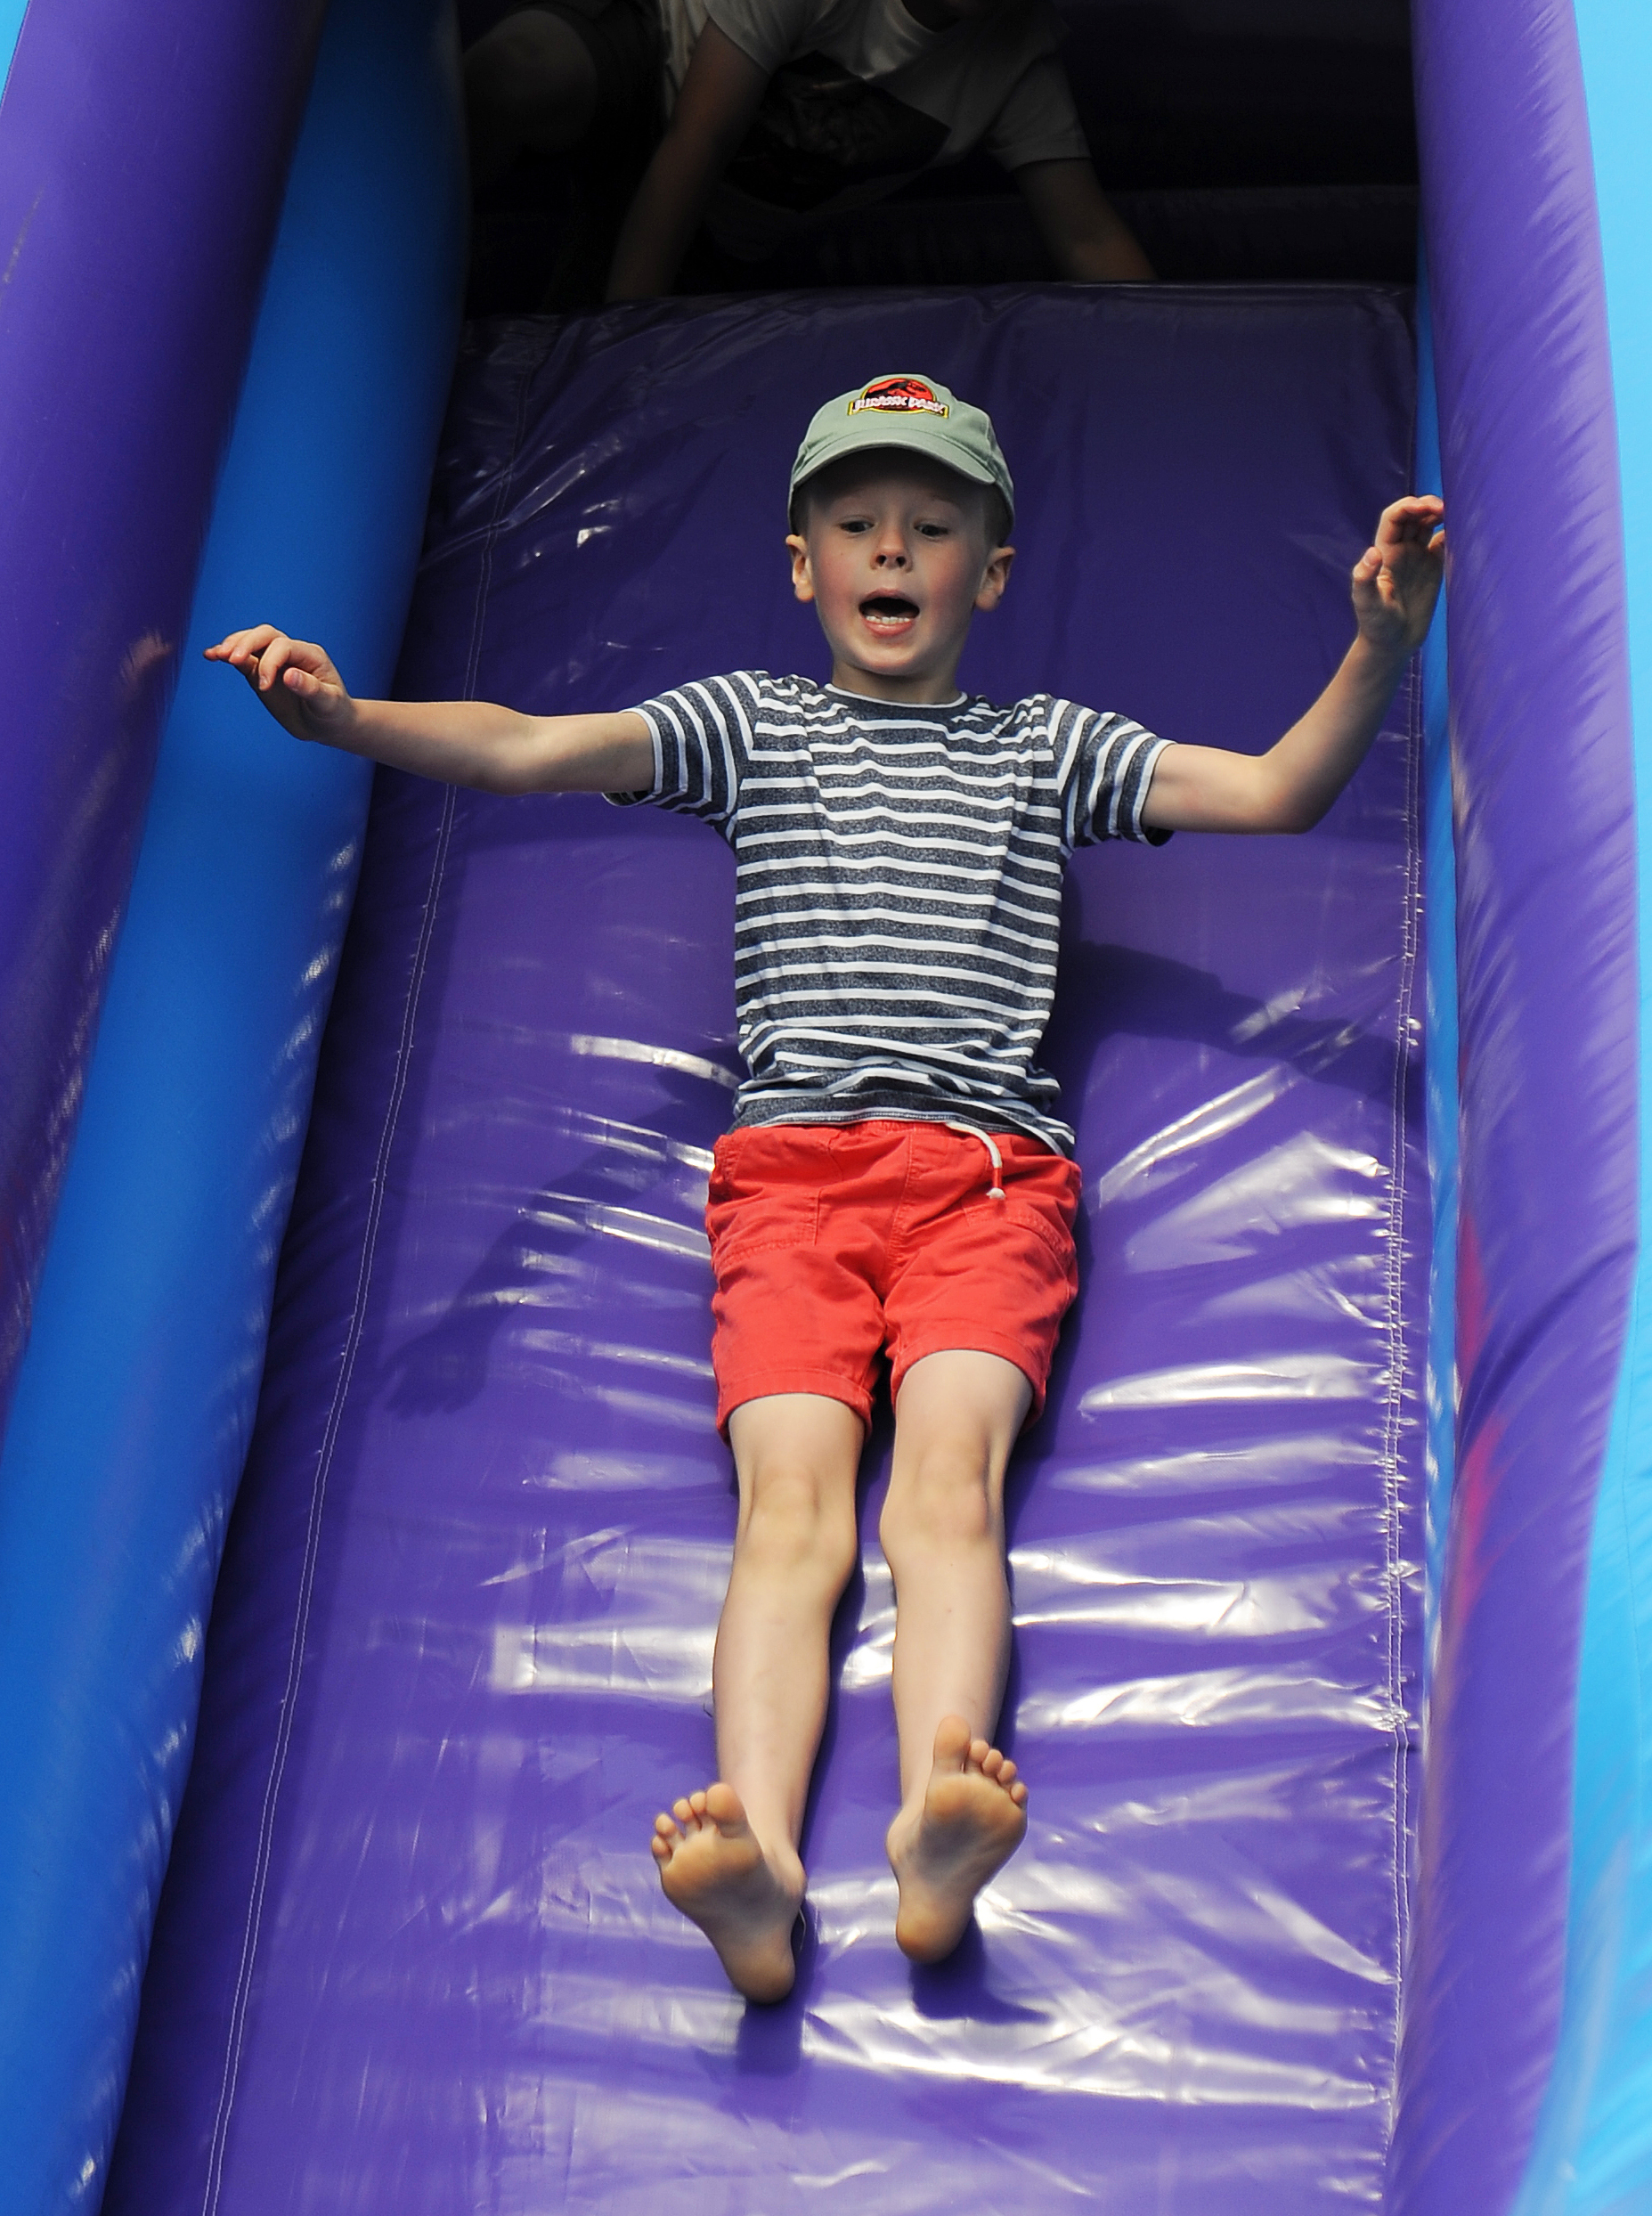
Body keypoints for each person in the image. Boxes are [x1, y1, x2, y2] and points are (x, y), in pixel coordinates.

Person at [206, 372, 1444, 2004]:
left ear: (988, 576)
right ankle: (766, 1873)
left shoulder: (1041, 747)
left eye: (932, 529)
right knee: (788, 1509)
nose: (892, 550)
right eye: (858, 524)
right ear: (802, 565)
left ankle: (940, 1813)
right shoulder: (749, 727)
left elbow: (1276, 790)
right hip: (788, 1182)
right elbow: (524, 747)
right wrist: (345, 719)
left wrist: (1382, 637)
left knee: (948, 1490)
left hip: (988, 1182)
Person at [465, 1, 1152, 298]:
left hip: (720, 233)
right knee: (515, 71)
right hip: (647, 68)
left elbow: (1089, 239)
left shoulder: (1017, 59)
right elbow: (699, 138)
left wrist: (1174, 356)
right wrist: (629, 330)